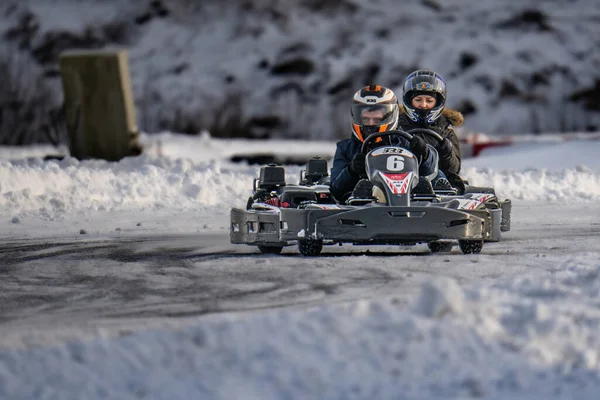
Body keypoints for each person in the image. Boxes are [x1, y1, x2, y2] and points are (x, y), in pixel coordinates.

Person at [329, 85, 437, 203]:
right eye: (366, 119)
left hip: (408, 202)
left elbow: (430, 171)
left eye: (377, 120)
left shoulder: (405, 142)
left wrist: (424, 154)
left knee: (432, 179)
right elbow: (336, 190)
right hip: (361, 208)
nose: (370, 124)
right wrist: (352, 170)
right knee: (362, 188)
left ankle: (425, 199)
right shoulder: (346, 148)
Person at [397, 69, 466, 193]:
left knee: (439, 175)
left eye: (429, 101)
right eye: (418, 100)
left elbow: (454, 170)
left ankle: (436, 187)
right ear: (408, 100)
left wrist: (446, 152)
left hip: (434, 183)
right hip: (399, 177)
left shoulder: (445, 131)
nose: (423, 105)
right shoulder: (397, 126)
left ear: (438, 102)